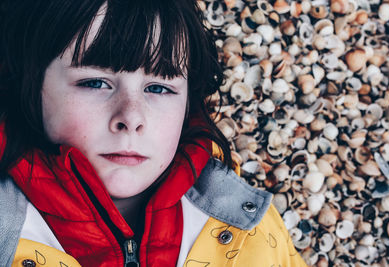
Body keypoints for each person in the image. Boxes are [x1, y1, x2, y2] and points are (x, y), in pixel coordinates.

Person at [0, 0, 308, 266]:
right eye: (95, 82)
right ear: (29, 86)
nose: (131, 117)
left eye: (159, 88)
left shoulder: (251, 228)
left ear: (188, 104)